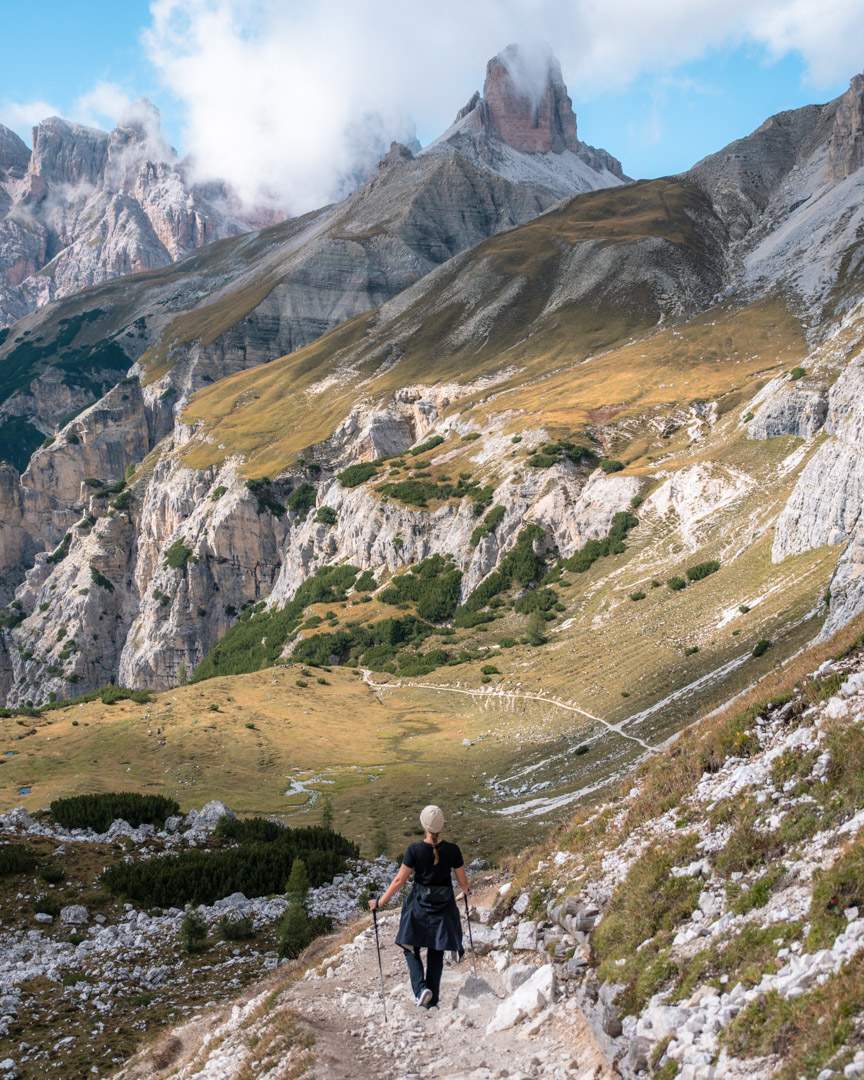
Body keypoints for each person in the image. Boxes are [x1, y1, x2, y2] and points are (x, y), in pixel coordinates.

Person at [369, 804, 470, 1009]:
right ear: (441, 826)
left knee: (409, 945)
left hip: (420, 907)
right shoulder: (453, 850)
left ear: (424, 825)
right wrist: (466, 891)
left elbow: (399, 881)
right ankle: (432, 1001)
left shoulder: (414, 850)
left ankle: (421, 989)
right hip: (443, 908)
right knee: (436, 951)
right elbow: (463, 882)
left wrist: (379, 902)